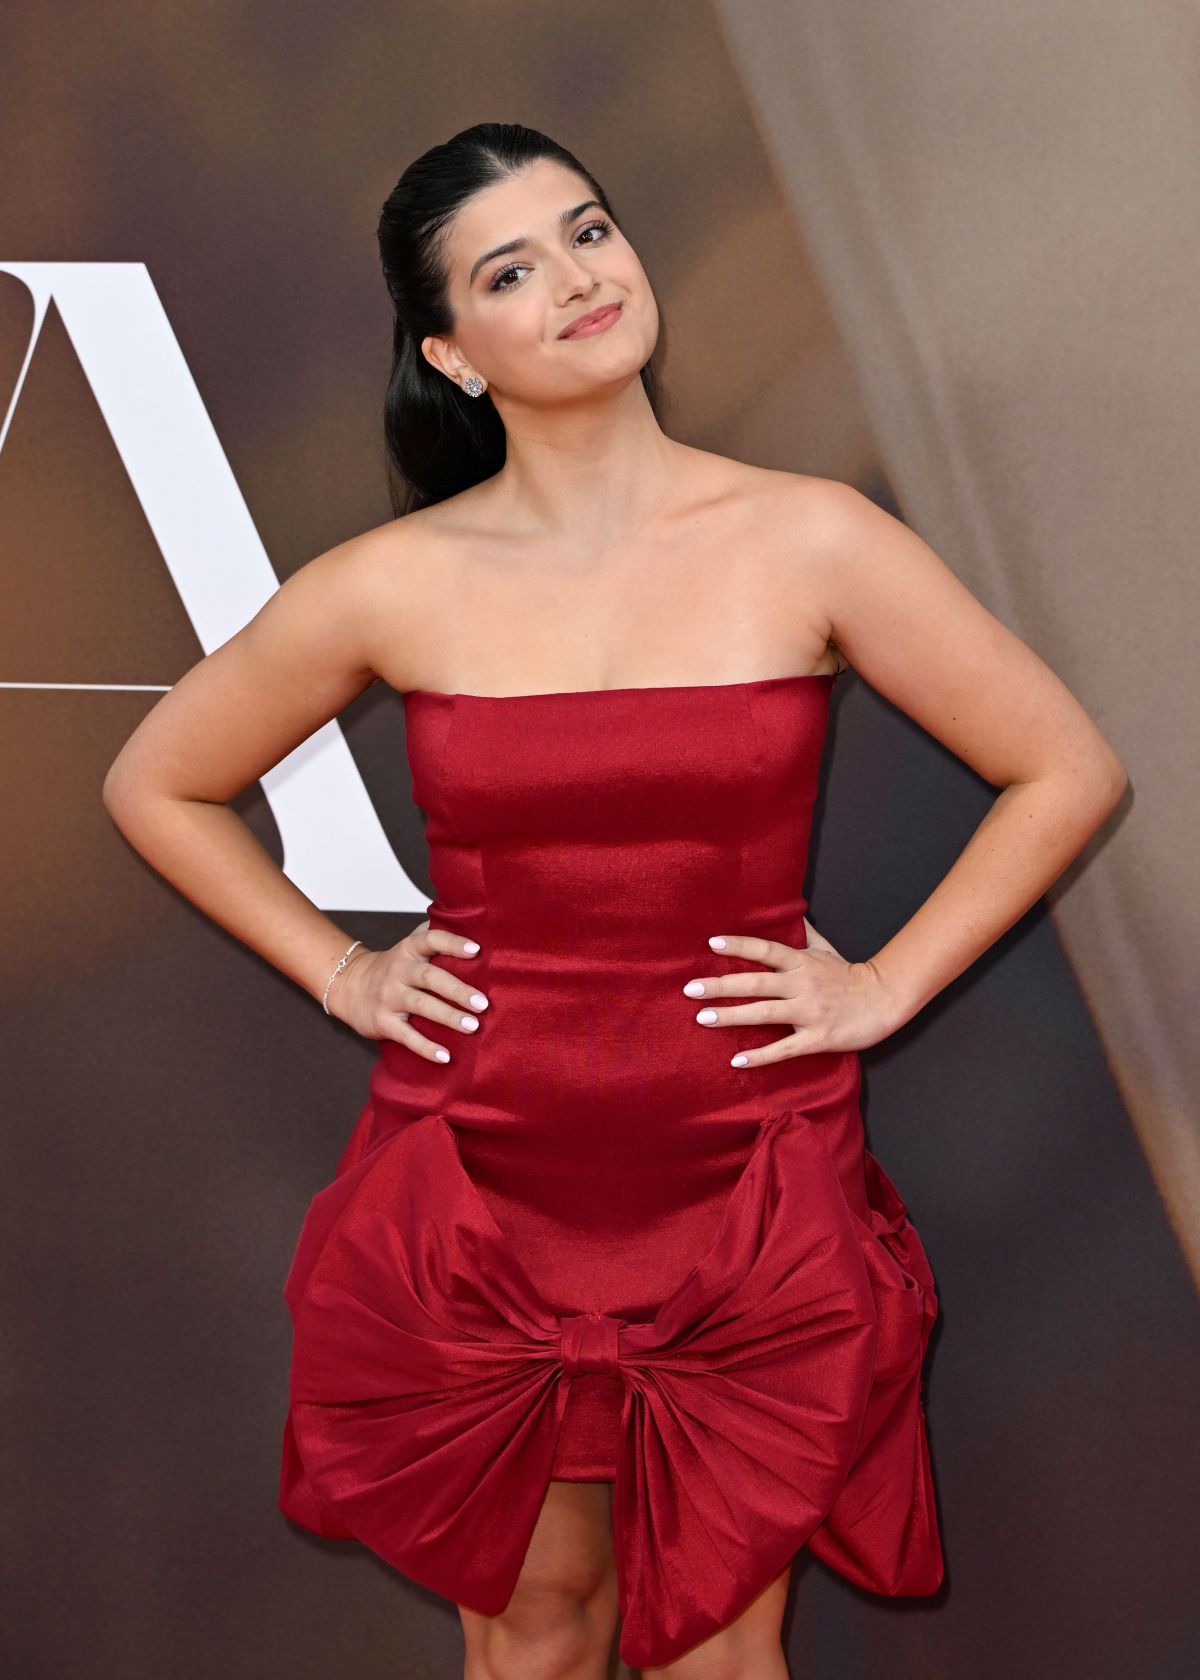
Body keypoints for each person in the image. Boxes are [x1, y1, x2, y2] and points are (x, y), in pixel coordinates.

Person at [102, 122, 1128, 1680]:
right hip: (483, 1179)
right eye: (515, 268)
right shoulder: (392, 582)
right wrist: (342, 972)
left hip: (744, 1178)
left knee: (721, 1651)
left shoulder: (811, 537)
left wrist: (887, 985)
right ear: (451, 352)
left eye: (589, 231)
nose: (582, 278)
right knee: (538, 1635)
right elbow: (156, 781)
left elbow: (1063, 765)